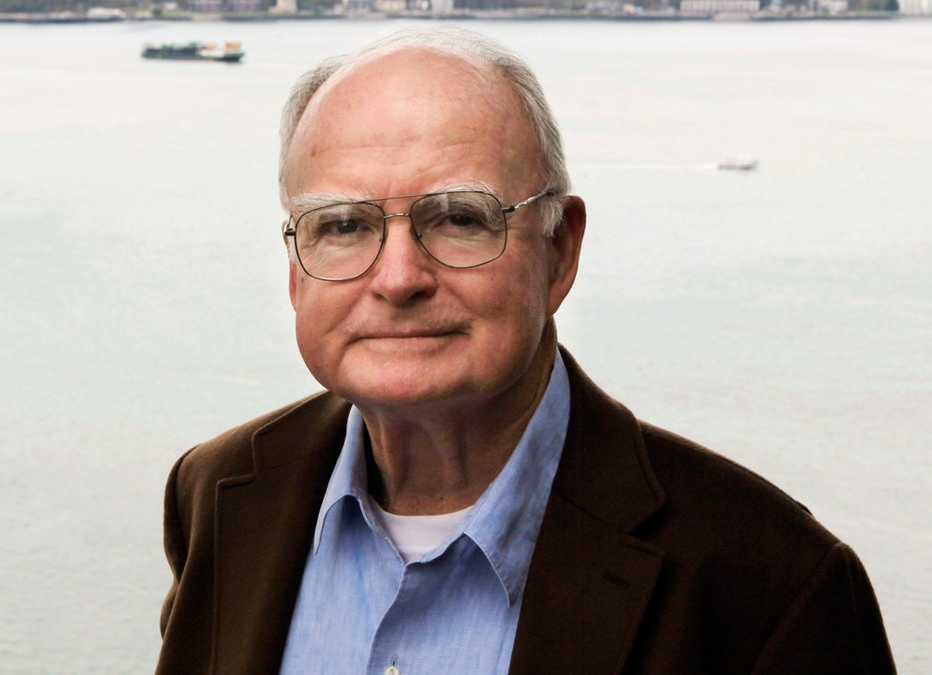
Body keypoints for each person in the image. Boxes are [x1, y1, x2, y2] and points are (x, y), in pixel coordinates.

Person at [156, 28, 894, 675]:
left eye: (459, 219)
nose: (399, 277)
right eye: (343, 225)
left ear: (560, 251)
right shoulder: (220, 497)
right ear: (294, 268)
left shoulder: (770, 585)